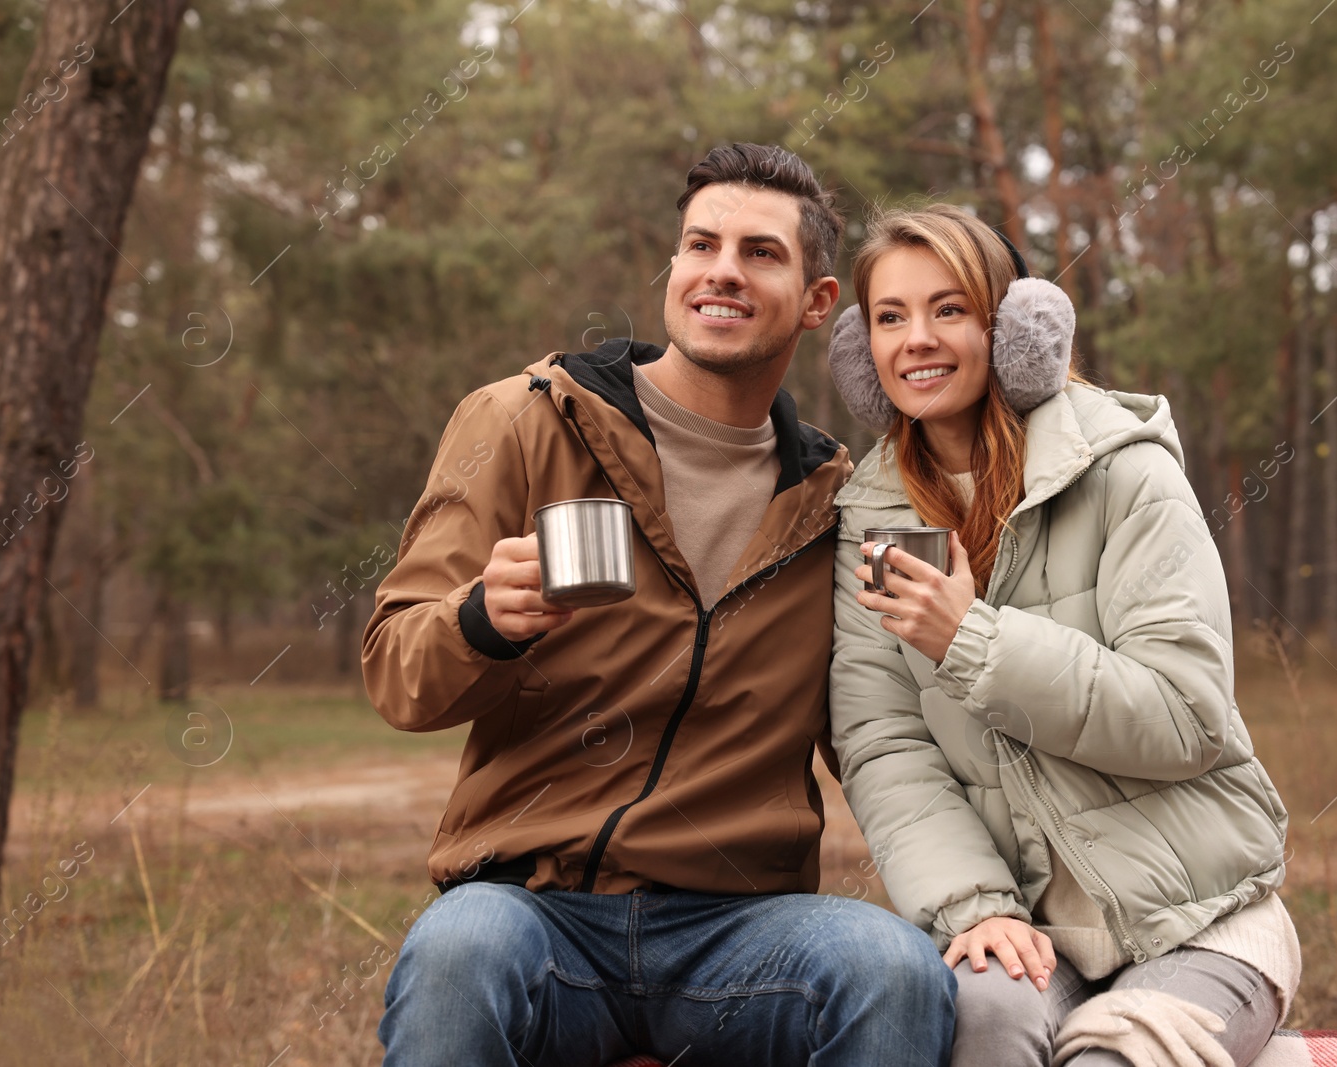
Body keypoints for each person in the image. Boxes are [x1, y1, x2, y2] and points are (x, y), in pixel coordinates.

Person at [363, 145, 957, 1067]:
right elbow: (398, 672)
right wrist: (482, 618)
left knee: (893, 968)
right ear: (674, 268)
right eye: (700, 245)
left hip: (741, 930)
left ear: (817, 301)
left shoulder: (840, 501)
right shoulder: (524, 421)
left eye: (760, 252)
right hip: (536, 908)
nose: (722, 270)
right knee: (459, 947)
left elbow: (892, 736)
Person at [826, 204, 1300, 1067]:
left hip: (1199, 919)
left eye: (949, 309)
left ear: (1015, 332)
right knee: (976, 1032)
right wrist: (973, 904)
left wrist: (969, 640)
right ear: (863, 354)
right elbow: (882, 741)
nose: (915, 341)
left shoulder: (1126, 471)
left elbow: (1187, 717)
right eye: (890, 318)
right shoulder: (866, 514)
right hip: (1026, 929)